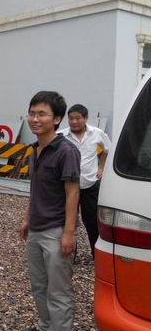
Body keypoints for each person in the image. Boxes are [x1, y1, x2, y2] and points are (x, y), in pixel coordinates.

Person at [19, 91, 81, 331]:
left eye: (41, 114)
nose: (35, 119)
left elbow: (72, 193)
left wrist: (69, 233)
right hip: (36, 228)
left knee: (59, 290)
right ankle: (46, 326)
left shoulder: (67, 151)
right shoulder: (35, 149)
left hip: (56, 230)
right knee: (39, 284)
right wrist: (27, 218)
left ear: (56, 119)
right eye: (32, 113)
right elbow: (36, 189)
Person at [58, 104, 111, 258]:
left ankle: (96, 255)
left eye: (78, 118)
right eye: (71, 118)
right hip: (67, 188)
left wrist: (101, 167)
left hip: (90, 186)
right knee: (67, 222)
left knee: (92, 222)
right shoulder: (61, 136)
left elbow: (108, 149)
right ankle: (69, 255)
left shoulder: (97, 133)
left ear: (86, 118)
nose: (74, 122)